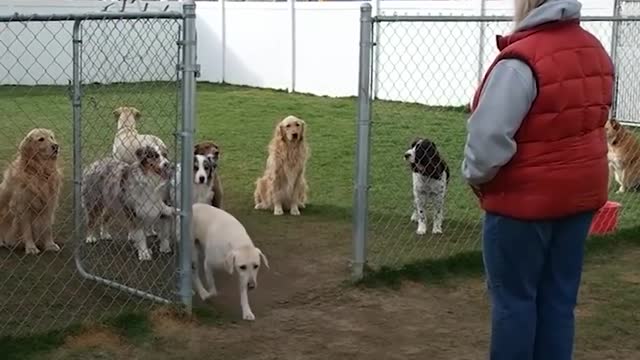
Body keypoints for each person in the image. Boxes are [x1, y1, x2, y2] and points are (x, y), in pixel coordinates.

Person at [461, 0, 615, 359]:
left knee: (514, 304)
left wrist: (476, 177)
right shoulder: (594, 49)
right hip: (578, 200)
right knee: (559, 301)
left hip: (522, 206)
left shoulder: (521, 60)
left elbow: (487, 141)